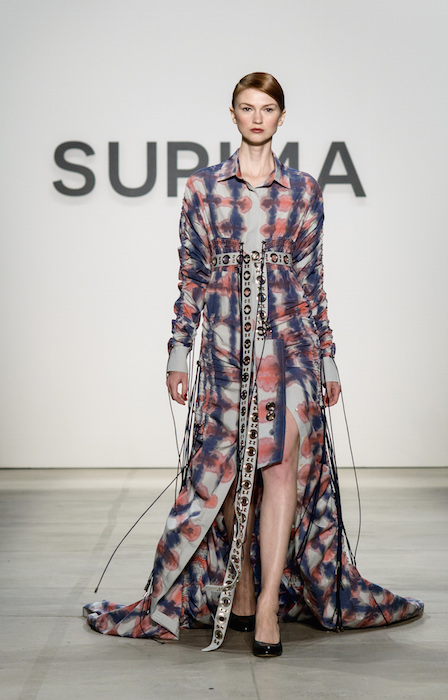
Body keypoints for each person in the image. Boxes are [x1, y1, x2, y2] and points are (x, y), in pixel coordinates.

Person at [84, 72, 423, 657]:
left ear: (281, 117)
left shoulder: (305, 189)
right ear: (233, 114)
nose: (258, 117)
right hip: (223, 347)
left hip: (291, 347)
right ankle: (240, 586)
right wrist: (178, 350)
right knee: (231, 471)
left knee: (281, 469)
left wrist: (328, 359)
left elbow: (312, 281)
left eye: (268, 108)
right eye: (248, 107)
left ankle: (266, 605)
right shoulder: (202, 188)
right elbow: (191, 274)